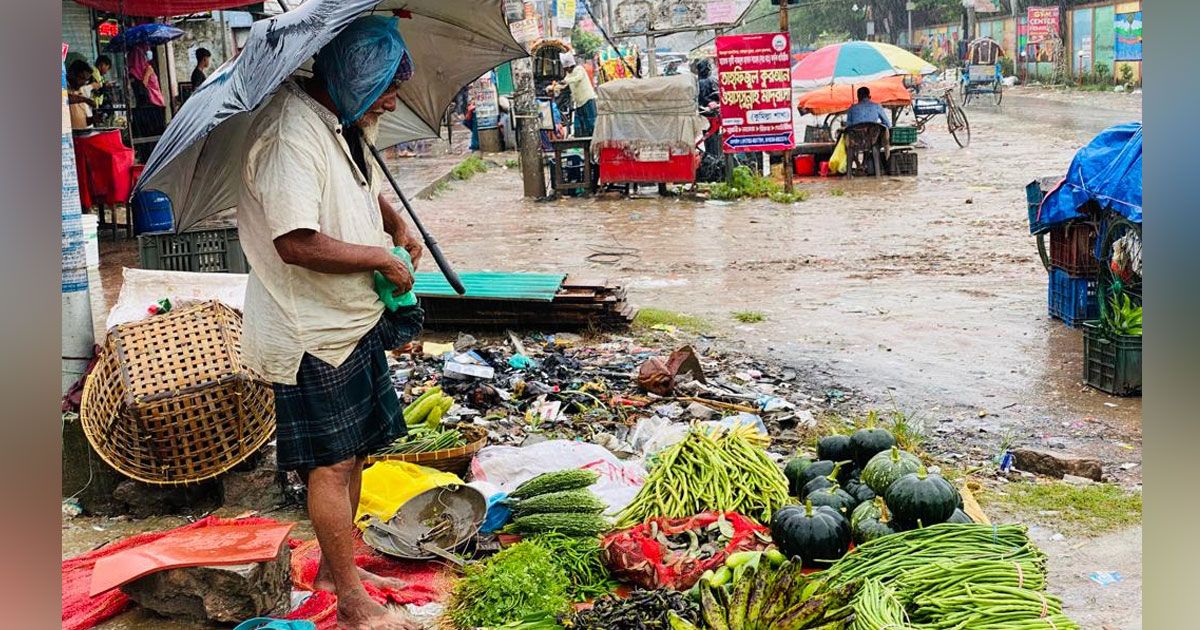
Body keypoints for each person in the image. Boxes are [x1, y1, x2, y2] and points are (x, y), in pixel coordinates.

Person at [235, 15, 424, 630]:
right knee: (331, 463)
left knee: (358, 454)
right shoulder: (291, 134)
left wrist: (392, 223)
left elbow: (352, 188)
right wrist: (377, 257)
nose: (387, 105)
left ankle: (330, 570)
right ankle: (350, 602)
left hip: (349, 321)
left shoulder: (338, 121)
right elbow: (295, 240)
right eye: (383, 92)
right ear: (352, 76)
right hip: (309, 331)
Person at [551, 53, 597, 137]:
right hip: (578, 102)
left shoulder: (579, 69)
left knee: (591, 121)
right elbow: (563, 84)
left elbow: (577, 78)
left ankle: (593, 139)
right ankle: (582, 140)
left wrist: (566, 81)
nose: (565, 70)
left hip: (587, 99)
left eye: (565, 68)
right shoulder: (568, 75)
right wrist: (553, 87)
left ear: (569, 66)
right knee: (580, 123)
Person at [66, 60, 96, 130]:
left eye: (86, 80)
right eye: (82, 78)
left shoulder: (79, 90)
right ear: (72, 74)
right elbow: (65, 99)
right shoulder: (64, 87)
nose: (83, 83)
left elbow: (81, 121)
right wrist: (85, 100)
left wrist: (93, 119)